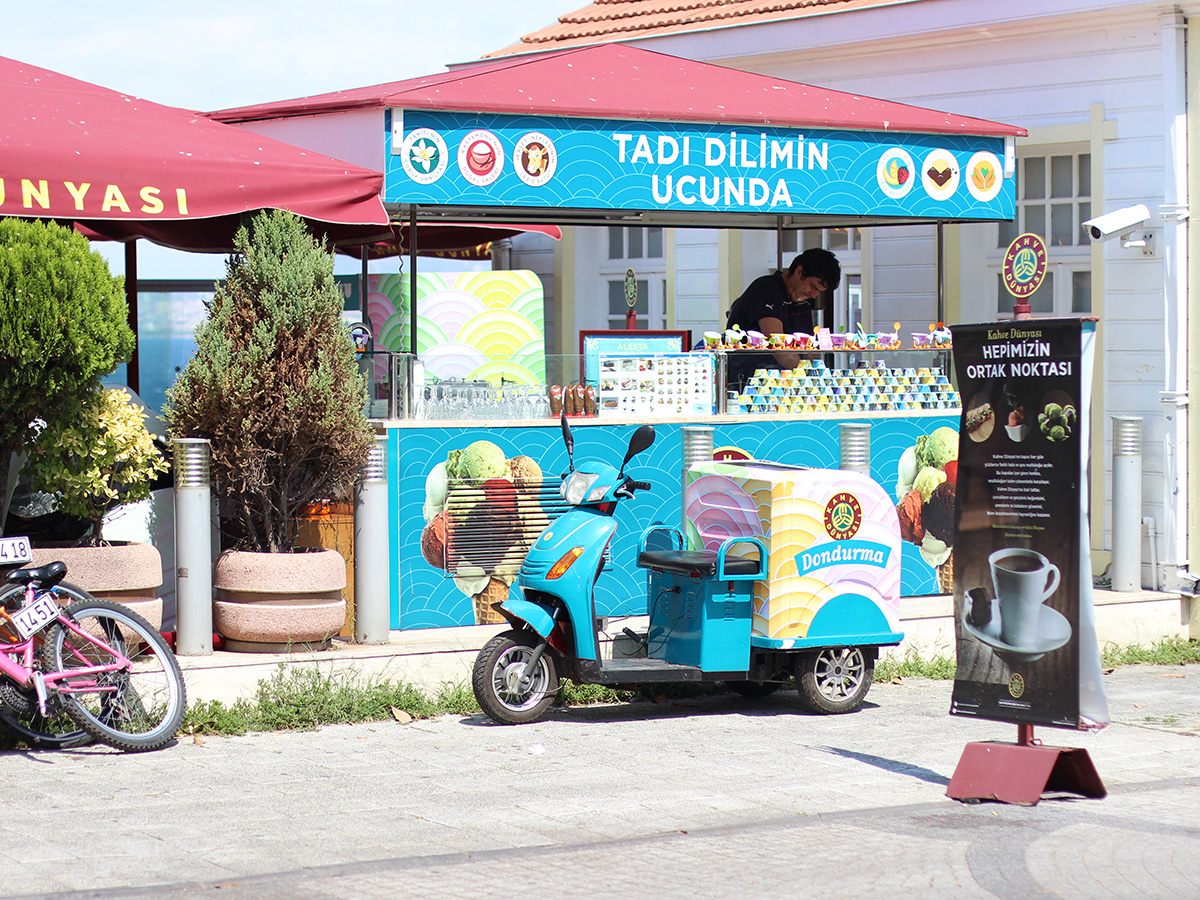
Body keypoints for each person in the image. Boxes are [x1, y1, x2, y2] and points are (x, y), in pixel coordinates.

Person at [723, 247, 841, 390]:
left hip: (778, 384)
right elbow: (778, 345)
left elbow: (808, 349)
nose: (814, 295)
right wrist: (810, 382)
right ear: (799, 272)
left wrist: (818, 376)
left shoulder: (801, 300)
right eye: (813, 287)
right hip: (749, 384)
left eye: (819, 291)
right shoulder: (767, 288)